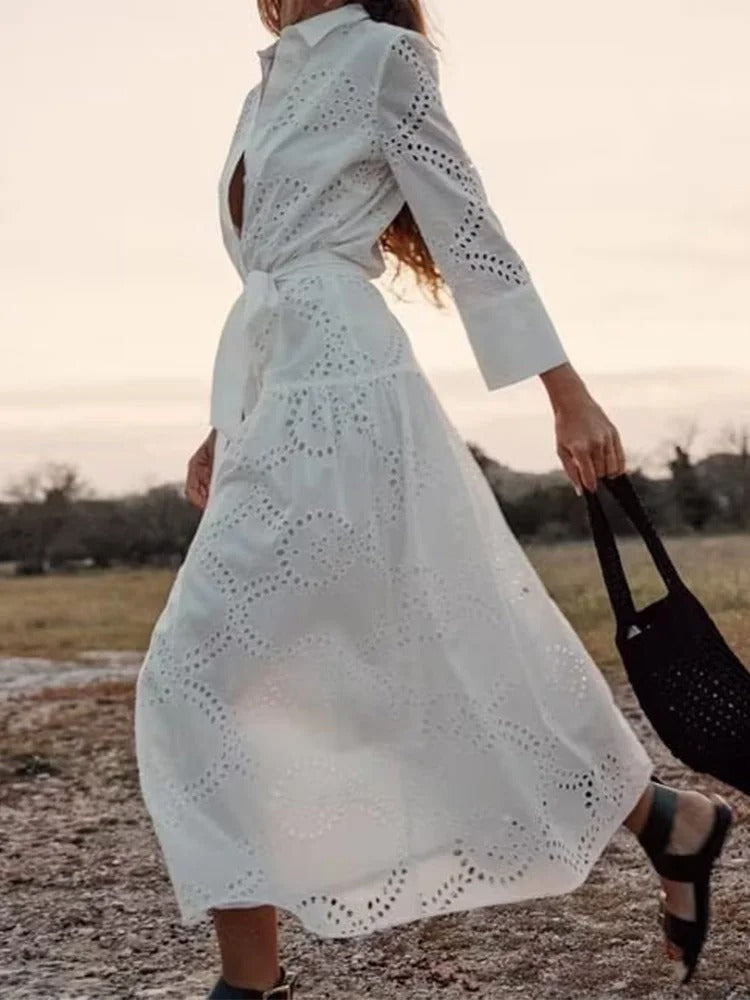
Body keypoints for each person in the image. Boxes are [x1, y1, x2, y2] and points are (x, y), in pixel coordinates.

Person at [133, 2, 734, 997]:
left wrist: (565, 391)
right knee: (433, 639)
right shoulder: (265, 84)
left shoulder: (382, 59)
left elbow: (467, 224)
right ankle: (663, 819)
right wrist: (224, 420)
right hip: (278, 401)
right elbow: (271, 274)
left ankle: (251, 985)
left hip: (345, 400)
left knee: (196, 669)